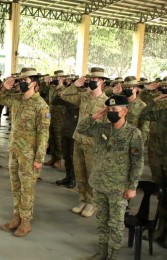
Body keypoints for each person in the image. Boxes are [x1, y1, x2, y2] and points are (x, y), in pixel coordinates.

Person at [78, 95, 143, 260]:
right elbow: (81, 129)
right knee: (101, 222)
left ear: (125, 111)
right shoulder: (102, 129)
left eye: (115, 110)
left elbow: (137, 162)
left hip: (118, 187)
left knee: (115, 224)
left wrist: (132, 187)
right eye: (109, 109)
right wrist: (94, 116)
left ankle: (112, 257)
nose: (111, 112)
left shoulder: (133, 134)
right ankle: (102, 253)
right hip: (99, 184)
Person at [0, 67, 50, 237]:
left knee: (27, 188)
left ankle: (26, 222)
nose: (21, 83)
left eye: (24, 81)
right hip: (15, 150)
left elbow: (44, 134)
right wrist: (5, 87)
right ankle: (17, 218)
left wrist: (39, 158)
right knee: (15, 186)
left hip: (29, 154)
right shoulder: (17, 99)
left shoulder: (41, 106)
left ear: (34, 83)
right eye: (20, 80)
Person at [60, 67, 109, 218]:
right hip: (79, 140)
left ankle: (91, 202)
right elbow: (63, 95)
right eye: (90, 80)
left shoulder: (106, 102)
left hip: (93, 144)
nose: (91, 82)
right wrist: (76, 84)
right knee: (80, 173)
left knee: (91, 174)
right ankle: (82, 199)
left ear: (102, 82)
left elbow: (108, 127)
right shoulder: (84, 96)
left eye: (94, 80)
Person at [139, 81, 167, 248]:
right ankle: (160, 230)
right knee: (163, 199)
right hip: (162, 161)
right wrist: (155, 100)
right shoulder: (163, 112)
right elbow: (144, 114)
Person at [44, 70, 67, 168]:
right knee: (51, 138)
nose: (54, 80)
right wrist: (45, 82)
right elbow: (43, 91)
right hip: (50, 116)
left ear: (62, 78)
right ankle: (53, 158)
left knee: (58, 139)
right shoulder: (52, 88)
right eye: (54, 78)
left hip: (60, 118)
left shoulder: (65, 90)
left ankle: (58, 160)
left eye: (56, 78)